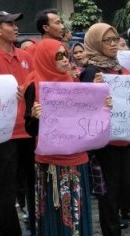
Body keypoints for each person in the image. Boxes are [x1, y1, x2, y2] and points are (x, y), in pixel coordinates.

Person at [80, 22, 130, 236]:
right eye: (107, 40)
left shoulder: (121, 69)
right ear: (95, 43)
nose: (114, 44)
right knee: (109, 200)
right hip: (106, 146)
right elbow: (84, 110)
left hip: (129, 141)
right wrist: (94, 91)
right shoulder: (90, 73)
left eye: (116, 39)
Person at [27, 39, 105, 236]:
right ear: (46, 58)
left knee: (77, 216)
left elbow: (85, 116)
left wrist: (102, 101)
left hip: (77, 160)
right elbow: (30, 129)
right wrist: (36, 117)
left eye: (65, 55)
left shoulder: (72, 82)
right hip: (51, 164)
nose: (64, 60)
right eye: (58, 56)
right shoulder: (34, 85)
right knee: (55, 216)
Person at [0, 11, 34, 236]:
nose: (15, 27)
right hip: (5, 135)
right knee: (6, 190)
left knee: (33, 186)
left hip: (30, 132)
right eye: (10, 24)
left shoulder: (26, 56)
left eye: (15, 23)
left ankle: (35, 226)